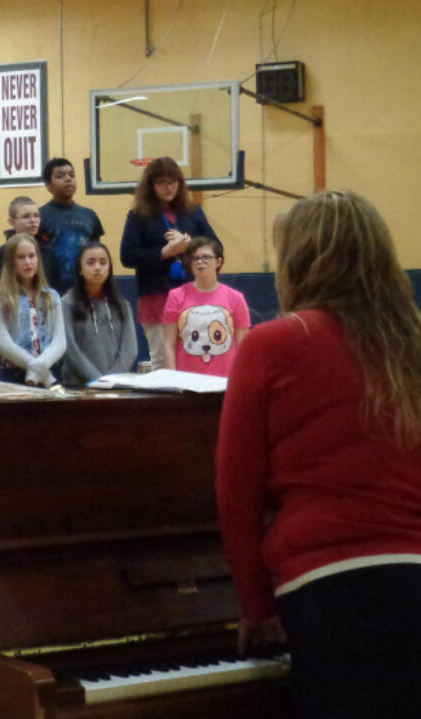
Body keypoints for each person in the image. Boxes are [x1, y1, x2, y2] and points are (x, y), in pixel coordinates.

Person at [217, 190, 421, 719]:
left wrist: (256, 608)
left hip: (327, 586)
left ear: (300, 262)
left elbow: (235, 494)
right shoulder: (413, 345)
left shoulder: (273, 343)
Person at [119, 156, 218, 369]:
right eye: (162, 182)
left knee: (197, 354)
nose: (169, 187)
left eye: (173, 181)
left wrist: (191, 246)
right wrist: (164, 252)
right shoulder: (138, 216)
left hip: (193, 293)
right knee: (163, 360)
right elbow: (127, 256)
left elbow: (217, 248)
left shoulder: (193, 212)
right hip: (156, 295)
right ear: (151, 185)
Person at [161, 237, 249, 377]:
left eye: (206, 257)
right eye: (195, 258)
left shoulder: (235, 298)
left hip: (225, 380)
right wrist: (172, 380)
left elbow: (243, 345)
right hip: (187, 381)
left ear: (218, 261)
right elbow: (168, 344)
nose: (200, 262)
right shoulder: (175, 296)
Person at [0, 233, 65, 386]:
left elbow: (60, 342)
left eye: (32, 256)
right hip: (14, 376)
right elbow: (2, 342)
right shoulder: (1, 296)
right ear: (11, 262)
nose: (28, 262)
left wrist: (41, 368)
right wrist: (39, 370)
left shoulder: (52, 296)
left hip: (49, 372)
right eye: (21, 257)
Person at [60, 242, 137, 387]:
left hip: (115, 385)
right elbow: (70, 349)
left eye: (103, 263)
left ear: (109, 268)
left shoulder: (122, 305)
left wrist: (111, 380)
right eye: (90, 262)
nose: (97, 267)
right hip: (78, 387)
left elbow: (130, 349)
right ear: (80, 269)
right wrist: (98, 381)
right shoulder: (66, 303)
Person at [36, 158, 104, 295]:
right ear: (48, 185)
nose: (68, 179)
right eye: (60, 176)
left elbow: (97, 253)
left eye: (71, 175)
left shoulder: (89, 215)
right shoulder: (39, 216)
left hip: (85, 291)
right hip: (50, 292)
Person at [0, 196, 59, 289]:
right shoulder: (3, 253)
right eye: (26, 216)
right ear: (12, 222)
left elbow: (55, 287)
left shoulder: (48, 251)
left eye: (36, 216)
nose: (33, 220)